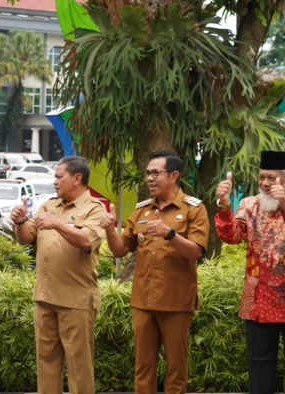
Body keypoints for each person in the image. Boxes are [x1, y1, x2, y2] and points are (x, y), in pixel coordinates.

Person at [214, 151, 285, 394]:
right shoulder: (249, 204)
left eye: (272, 178)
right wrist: (223, 205)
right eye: (262, 177)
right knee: (259, 370)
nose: (264, 183)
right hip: (257, 301)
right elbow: (232, 236)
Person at [102, 151, 209, 394]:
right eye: (147, 173)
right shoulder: (141, 210)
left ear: (173, 176)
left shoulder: (194, 209)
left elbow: (195, 252)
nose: (149, 178)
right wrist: (109, 230)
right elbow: (120, 250)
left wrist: (169, 234)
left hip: (176, 301)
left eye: (155, 173)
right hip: (143, 300)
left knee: (176, 369)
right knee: (143, 367)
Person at [11, 156, 106, 394]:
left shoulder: (94, 209)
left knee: (79, 367)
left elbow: (86, 241)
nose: (54, 181)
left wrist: (57, 224)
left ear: (77, 178)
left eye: (58, 176)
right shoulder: (49, 205)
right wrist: (20, 220)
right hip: (45, 298)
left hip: (76, 300)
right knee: (46, 365)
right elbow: (25, 237)